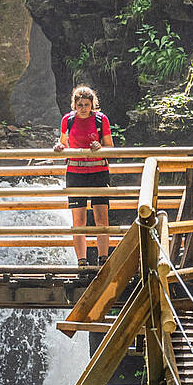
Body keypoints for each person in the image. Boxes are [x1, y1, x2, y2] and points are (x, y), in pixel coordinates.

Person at [54, 85, 114, 268]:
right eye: (80, 105)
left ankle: (103, 259)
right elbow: (63, 143)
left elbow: (110, 147)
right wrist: (58, 147)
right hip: (75, 172)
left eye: (86, 104)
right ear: (74, 105)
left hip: (98, 171)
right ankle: (82, 261)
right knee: (78, 220)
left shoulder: (101, 120)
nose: (83, 108)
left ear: (92, 104)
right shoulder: (68, 120)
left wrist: (99, 148)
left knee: (101, 218)